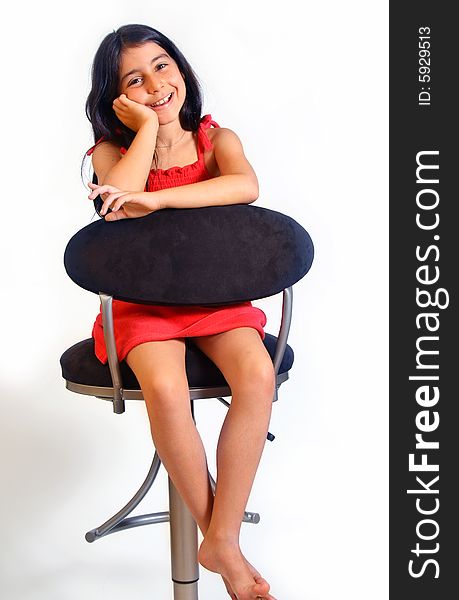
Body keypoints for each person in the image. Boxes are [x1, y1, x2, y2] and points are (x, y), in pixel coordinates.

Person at [85, 24, 276, 600]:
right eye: (133, 80)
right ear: (116, 98)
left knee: (257, 374)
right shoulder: (110, 151)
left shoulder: (218, 141)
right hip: (142, 308)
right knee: (166, 389)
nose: (154, 85)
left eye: (162, 66)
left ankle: (219, 537)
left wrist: (162, 198)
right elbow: (117, 201)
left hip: (214, 300)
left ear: (183, 71)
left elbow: (246, 186)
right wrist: (146, 132)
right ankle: (225, 546)